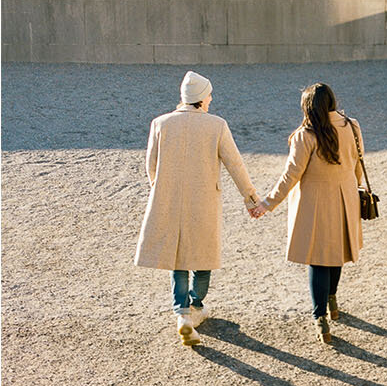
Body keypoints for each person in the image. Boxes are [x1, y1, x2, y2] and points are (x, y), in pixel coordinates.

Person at [134, 70, 263, 346]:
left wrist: (162, 189)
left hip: (171, 199)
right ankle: (196, 306)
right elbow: (235, 165)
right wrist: (251, 199)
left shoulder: (160, 123)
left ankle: (181, 313)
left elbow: (151, 167)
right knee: (203, 257)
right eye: (209, 95)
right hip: (204, 200)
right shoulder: (216, 125)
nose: (211, 99)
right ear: (202, 99)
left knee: (178, 258)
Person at [253, 82, 364, 345]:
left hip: (315, 202)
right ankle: (332, 302)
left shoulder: (306, 135)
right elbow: (358, 164)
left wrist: (267, 203)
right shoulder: (352, 126)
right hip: (345, 197)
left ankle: (321, 318)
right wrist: (353, 187)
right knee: (337, 253)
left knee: (318, 259)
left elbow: (291, 175)